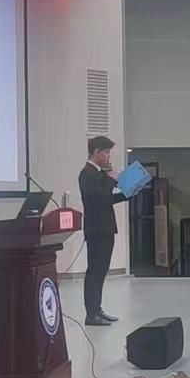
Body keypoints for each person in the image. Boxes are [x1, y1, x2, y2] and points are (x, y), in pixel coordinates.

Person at [79, 136, 130, 326]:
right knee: (95, 271)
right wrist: (112, 179)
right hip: (96, 229)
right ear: (97, 152)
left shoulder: (99, 174)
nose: (109, 156)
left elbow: (108, 199)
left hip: (105, 227)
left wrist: (127, 194)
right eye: (106, 152)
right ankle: (91, 314)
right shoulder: (87, 173)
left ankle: (97, 309)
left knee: (101, 271)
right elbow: (98, 198)